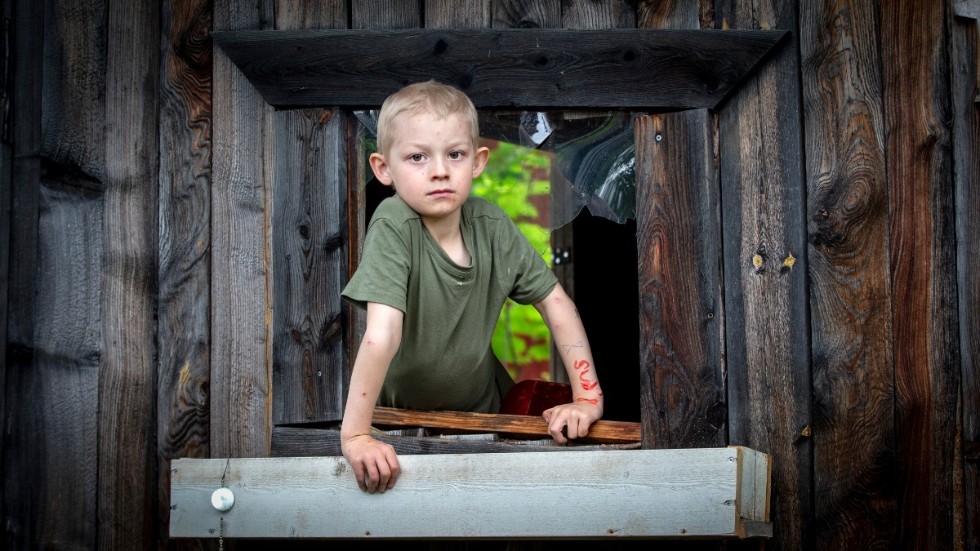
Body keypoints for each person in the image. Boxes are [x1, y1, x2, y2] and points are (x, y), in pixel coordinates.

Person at [340, 80, 603, 493]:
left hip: (482, 418)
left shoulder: (492, 225)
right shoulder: (394, 223)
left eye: (455, 154)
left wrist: (588, 398)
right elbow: (382, 333)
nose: (440, 170)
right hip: (398, 423)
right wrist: (356, 435)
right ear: (383, 169)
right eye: (417, 157)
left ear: (477, 162)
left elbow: (555, 302)